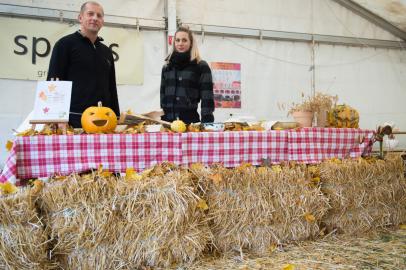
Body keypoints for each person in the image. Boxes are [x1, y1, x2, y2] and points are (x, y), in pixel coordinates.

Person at [47, 1, 120, 128]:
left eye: (99, 15)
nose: (95, 18)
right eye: (90, 14)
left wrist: (117, 116)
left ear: (102, 21)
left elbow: (112, 87)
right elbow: (54, 82)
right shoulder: (65, 45)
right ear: (80, 17)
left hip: (105, 120)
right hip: (72, 120)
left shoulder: (106, 51)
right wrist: (57, 117)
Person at [160, 26, 214, 124]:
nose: (180, 43)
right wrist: (162, 118)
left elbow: (207, 98)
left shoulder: (201, 66)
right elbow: (163, 97)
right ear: (174, 43)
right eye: (177, 40)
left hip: (190, 122)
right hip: (168, 123)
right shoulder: (167, 67)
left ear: (191, 43)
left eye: (184, 40)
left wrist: (207, 122)